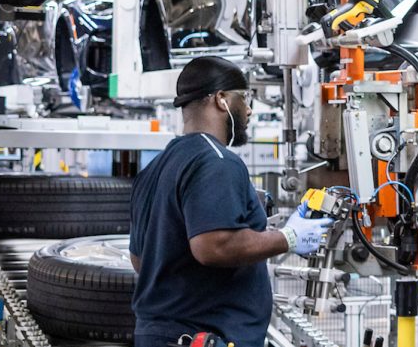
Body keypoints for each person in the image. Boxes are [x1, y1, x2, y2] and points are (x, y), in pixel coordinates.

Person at [128, 56, 334, 347]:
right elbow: (214, 246)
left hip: (157, 335)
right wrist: (288, 237)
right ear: (221, 99)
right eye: (245, 97)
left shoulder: (155, 168)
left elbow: (140, 259)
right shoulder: (217, 161)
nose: (249, 109)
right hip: (202, 337)